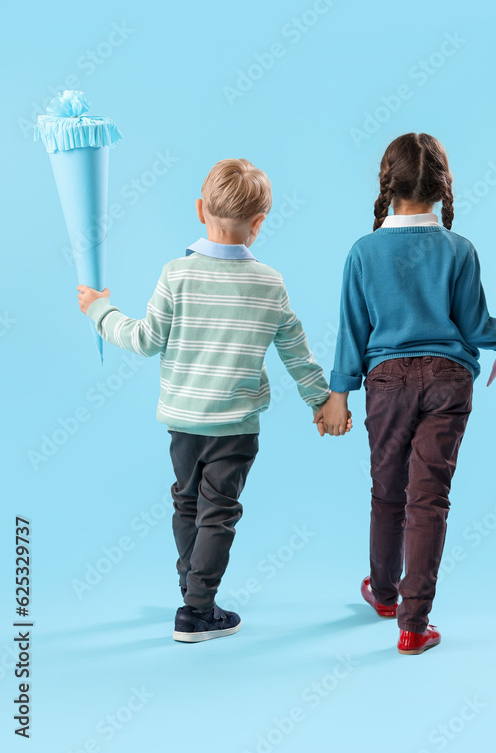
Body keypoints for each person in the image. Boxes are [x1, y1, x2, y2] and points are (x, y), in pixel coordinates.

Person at [77, 158, 349, 643]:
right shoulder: (269, 283)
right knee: (217, 511)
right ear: (259, 223)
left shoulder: (176, 274)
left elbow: (143, 340)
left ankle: (191, 592)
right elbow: (295, 351)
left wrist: (100, 310)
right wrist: (322, 401)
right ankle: (198, 609)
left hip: (183, 422)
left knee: (186, 503)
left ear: (201, 209)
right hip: (236, 427)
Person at [316, 133, 496, 655]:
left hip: (387, 385)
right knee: (429, 499)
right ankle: (414, 627)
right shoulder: (459, 250)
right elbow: (475, 327)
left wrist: (338, 394)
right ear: (443, 188)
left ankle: (382, 592)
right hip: (449, 380)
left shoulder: (363, 251)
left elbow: (351, 329)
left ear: (386, 184)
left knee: (386, 491)